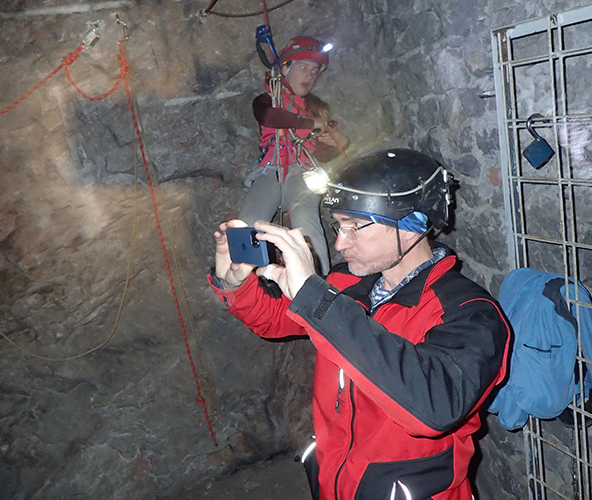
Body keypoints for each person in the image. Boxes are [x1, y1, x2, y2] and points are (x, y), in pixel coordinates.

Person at [209, 148, 511, 499]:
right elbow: (275, 320)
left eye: (354, 227)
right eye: (338, 225)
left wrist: (317, 299)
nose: (339, 243)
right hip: (336, 482)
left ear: (410, 224)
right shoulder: (346, 284)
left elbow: (434, 407)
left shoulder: (470, 313)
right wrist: (235, 282)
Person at [239, 35, 349, 276]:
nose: (309, 76)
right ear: (285, 68)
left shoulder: (317, 109)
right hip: (270, 170)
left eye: (314, 71)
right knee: (247, 222)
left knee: (305, 220)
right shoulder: (268, 100)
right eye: (303, 67)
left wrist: (338, 143)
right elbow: (269, 117)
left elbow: (318, 153)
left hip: (302, 171)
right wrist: (311, 123)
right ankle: (244, 283)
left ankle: (318, 285)